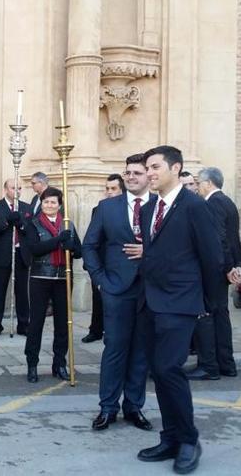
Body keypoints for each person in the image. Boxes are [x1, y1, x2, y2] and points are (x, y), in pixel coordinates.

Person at [136, 145, 222, 474]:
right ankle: (170, 437)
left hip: (181, 301)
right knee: (158, 371)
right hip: (151, 302)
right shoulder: (148, 209)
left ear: (176, 168)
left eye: (155, 166)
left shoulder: (195, 207)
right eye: (148, 167)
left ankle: (189, 439)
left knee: (169, 368)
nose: (150, 172)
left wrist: (207, 304)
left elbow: (212, 257)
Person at [82, 156, 153, 431]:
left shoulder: (160, 208)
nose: (132, 177)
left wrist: (150, 253)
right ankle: (108, 408)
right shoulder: (107, 208)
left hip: (150, 289)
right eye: (128, 173)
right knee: (115, 348)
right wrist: (100, 279)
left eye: (137, 172)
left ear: (148, 176)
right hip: (115, 288)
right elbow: (90, 245)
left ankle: (134, 407)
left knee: (141, 350)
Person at [186, 167, 241, 380]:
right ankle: (226, 364)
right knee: (220, 316)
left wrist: (229, 267)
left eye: (198, 183)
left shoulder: (212, 203)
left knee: (207, 316)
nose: (197, 187)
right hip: (222, 269)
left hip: (214, 270)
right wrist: (235, 265)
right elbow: (232, 239)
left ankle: (209, 366)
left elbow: (220, 239)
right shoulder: (227, 202)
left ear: (208, 183)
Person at [24, 187, 81, 383]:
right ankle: (32, 363)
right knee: (36, 322)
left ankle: (59, 363)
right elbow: (35, 249)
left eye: (53, 202)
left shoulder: (68, 225)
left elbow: (79, 251)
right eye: (46, 202)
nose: (49, 205)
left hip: (63, 278)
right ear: (41, 203)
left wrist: (71, 246)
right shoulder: (33, 223)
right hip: (41, 277)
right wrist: (58, 240)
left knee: (63, 324)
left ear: (59, 205)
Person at [82, 173, 126, 344]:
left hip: (119, 262)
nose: (109, 192)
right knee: (97, 298)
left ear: (122, 190)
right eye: (107, 189)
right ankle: (95, 330)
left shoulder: (128, 209)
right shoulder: (99, 209)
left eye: (113, 189)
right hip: (100, 262)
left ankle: (112, 331)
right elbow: (93, 239)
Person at [0, 178, 31, 337]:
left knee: (22, 292)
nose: (17, 191)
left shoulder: (26, 207)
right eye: (13, 188)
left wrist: (22, 225)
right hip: (1, 255)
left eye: (19, 188)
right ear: (6, 189)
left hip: (21, 254)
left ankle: (23, 324)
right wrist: (6, 221)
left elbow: (31, 231)